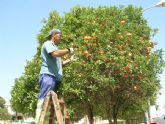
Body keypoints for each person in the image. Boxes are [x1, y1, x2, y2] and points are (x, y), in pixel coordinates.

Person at [35, 29, 74, 123]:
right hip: (48, 76)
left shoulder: (56, 48)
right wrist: (68, 50)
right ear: (54, 35)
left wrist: (71, 60)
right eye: (59, 35)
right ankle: (37, 120)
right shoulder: (48, 44)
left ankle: (50, 121)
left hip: (56, 78)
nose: (61, 37)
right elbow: (55, 54)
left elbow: (61, 64)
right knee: (43, 99)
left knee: (51, 101)